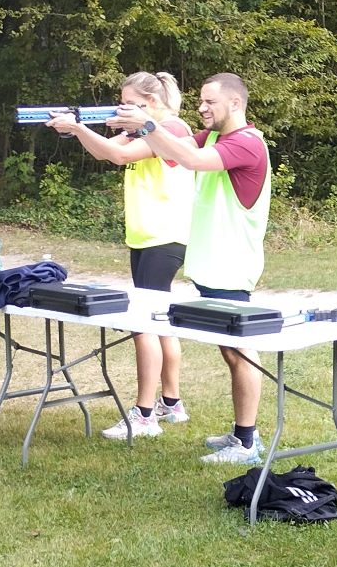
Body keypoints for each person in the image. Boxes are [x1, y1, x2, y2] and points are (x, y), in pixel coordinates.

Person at [109, 72, 272, 466]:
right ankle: (243, 433)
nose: (201, 108)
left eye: (210, 102)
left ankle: (246, 443)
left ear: (235, 103)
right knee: (230, 351)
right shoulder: (213, 137)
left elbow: (191, 160)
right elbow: (174, 152)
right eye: (200, 101)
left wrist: (147, 125)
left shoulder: (247, 143)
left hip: (232, 264)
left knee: (241, 352)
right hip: (213, 266)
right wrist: (137, 129)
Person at [46, 72, 195, 438]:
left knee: (143, 323)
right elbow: (104, 151)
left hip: (163, 236)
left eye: (129, 103)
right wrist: (76, 129)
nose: (122, 108)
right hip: (146, 236)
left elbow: (119, 154)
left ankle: (144, 415)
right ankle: (171, 402)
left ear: (152, 102)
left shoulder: (170, 129)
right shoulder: (145, 128)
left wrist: (77, 127)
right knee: (159, 319)